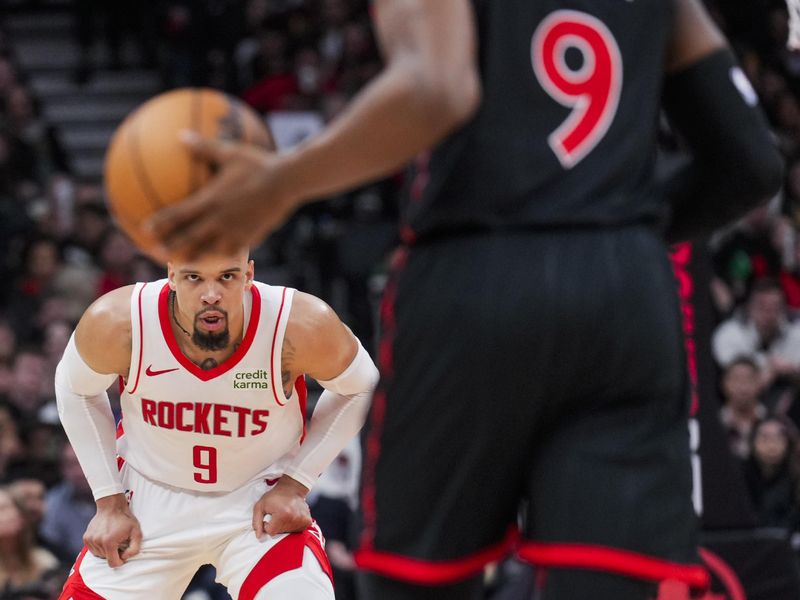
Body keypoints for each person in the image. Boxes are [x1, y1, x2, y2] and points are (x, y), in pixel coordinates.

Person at [147, 0, 784, 598]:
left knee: (417, 580)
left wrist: (283, 183)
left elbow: (437, 89)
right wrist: (615, 233)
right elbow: (750, 161)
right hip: (625, 291)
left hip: (475, 278)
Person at [54, 247, 378, 599]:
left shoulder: (298, 323)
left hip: (257, 501)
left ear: (249, 275)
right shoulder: (121, 320)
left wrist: (296, 483)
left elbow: (363, 388)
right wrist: (108, 502)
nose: (212, 295)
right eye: (195, 277)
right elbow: (74, 389)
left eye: (227, 276)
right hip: (146, 500)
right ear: (173, 274)